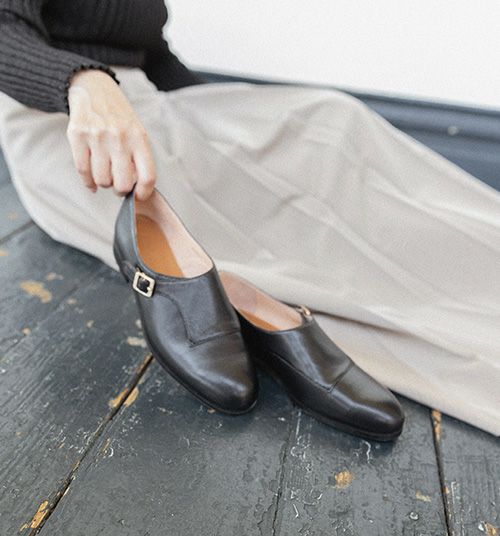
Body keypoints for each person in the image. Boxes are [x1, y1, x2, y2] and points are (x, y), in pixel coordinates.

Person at [0, 0, 499, 435]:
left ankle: (463, 260)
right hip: (62, 115)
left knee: (331, 118)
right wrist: (84, 81)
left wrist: (236, 126)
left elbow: (152, 57)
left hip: (148, 103)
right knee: (224, 220)